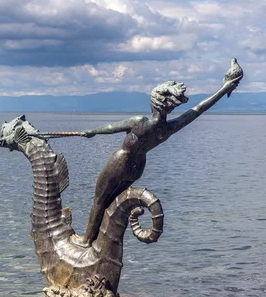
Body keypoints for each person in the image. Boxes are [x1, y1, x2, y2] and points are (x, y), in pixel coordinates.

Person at [68, 69, 243, 247]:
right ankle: (101, 240)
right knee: (112, 202)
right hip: (137, 167)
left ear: (155, 103)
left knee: (99, 200)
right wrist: (223, 89)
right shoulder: (169, 128)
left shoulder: (140, 122)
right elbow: (198, 110)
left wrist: (91, 132)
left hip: (121, 162)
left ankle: (87, 240)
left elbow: (112, 127)